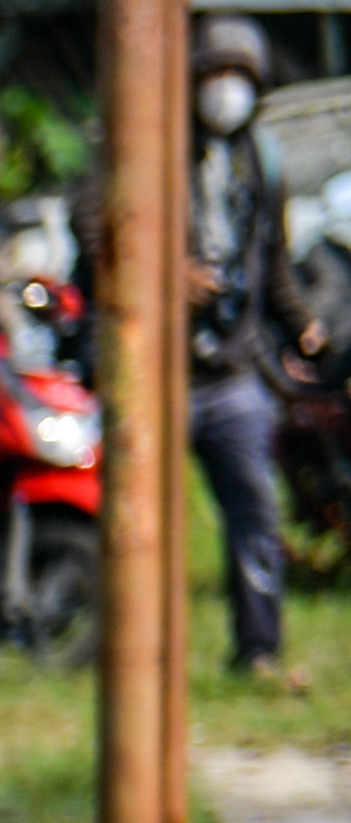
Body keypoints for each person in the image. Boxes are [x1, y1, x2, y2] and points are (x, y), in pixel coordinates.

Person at [187, 15, 327, 683]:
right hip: (161, 368)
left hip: (232, 370)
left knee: (255, 511)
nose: (224, 92)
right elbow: (91, 220)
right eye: (214, 76)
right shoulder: (155, 148)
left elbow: (270, 264)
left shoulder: (257, 162)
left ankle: (259, 651)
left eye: (237, 79)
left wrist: (301, 322)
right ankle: (115, 650)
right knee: (134, 524)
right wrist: (164, 271)